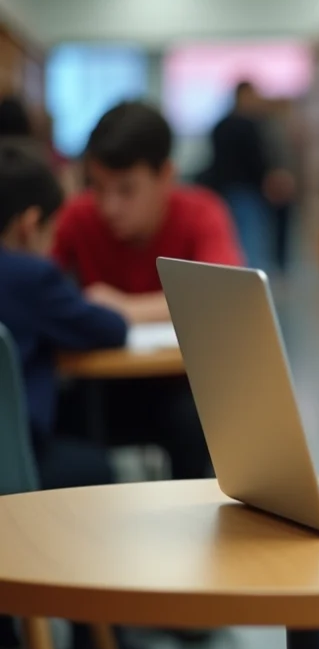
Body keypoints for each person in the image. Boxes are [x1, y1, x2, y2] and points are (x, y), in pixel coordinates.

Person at [0, 143, 149, 649]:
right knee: (91, 469)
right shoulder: (32, 276)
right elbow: (108, 328)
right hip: (11, 472)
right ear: (30, 224)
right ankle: (94, 636)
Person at [52, 100, 240, 482]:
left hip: (177, 386)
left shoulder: (202, 212)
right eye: (99, 188)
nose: (109, 207)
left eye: (126, 190)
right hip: (96, 385)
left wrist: (119, 307)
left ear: (166, 175)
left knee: (197, 424)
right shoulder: (78, 215)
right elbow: (43, 289)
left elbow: (225, 295)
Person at [204, 80, 294, 271]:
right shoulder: (250, 126)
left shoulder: (220, 125)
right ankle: (249, 291)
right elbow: (259, 161)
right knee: (250, 245)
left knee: (234, 242)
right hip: (247, 193)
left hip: (226, 192)